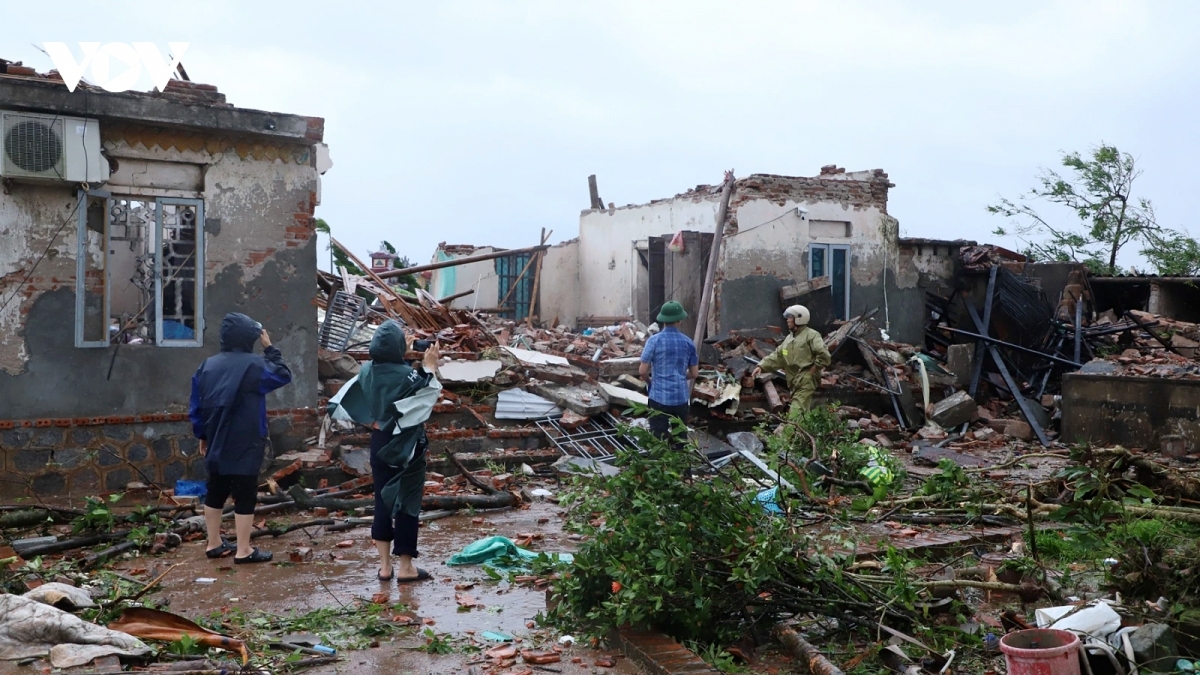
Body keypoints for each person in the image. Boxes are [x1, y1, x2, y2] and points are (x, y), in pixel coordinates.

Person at [326, 320, 442, 583]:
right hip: (406, 444)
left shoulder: (366, 370)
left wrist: (402, 352)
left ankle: (385, 567)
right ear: (398, 348)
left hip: (379, 441)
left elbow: (353, 395)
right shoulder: (408, 375)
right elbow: (425, 390)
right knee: (407, 501)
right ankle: (406, 567)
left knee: (382, 501)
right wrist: (430, 366)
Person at [190, 313, 293, 564]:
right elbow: (282, 374)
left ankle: (213, 543)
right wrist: (270, 349)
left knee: (216, 487)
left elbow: (196, 405)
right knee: (244, 490)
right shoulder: (254, 364)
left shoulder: (207, 366)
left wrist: (202, 434)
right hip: (246, 436)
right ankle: (244, 549)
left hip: (216, 434)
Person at [752, 305, 831, 415]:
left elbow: (824, 356)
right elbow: (778, 356)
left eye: (790, 317)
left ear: (799, 318)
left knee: (795, 413)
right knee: (803, 414)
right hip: (794, 382)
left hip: (806, 382)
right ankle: (805, 431)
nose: (787, 320)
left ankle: (789, 431)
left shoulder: (811, 336)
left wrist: (809, 373)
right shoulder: (789, 339)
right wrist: (761, 366)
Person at [639, 301, 699, 441]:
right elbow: (694, 373)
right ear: (679, 320)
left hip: (658, 398)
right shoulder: (688, 343)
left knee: (658, 438)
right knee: (680, 438)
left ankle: (660, 461)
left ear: (662, 320)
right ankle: (680, 460)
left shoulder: (653, 341)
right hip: (680, 399)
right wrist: (680, 377)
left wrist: (650, 381)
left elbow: (642, 371)